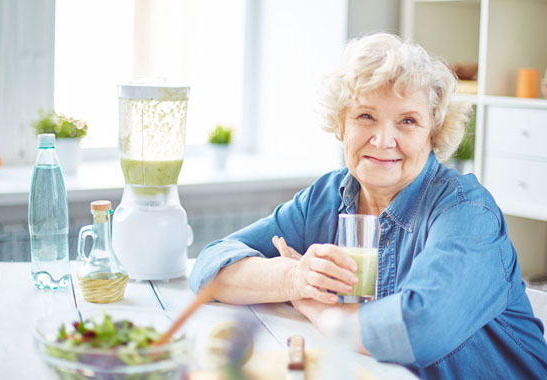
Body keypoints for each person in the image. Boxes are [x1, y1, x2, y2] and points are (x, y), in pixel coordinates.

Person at [189, 33, 547, 379]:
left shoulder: (467, 212)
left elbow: (419, 330)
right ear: (340, 125)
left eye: (407, 120)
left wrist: (321, 310)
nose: (383, 139)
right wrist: (295, 278)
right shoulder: (326, 196)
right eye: (365, 117)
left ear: (433, 133)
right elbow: (210, 267)